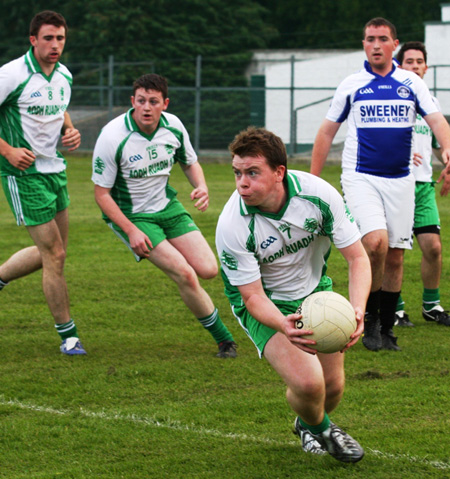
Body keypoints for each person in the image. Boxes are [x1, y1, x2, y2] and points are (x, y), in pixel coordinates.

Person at [216, 126, 371, 462]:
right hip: (267, 305)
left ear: (279, 173)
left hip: (316, 295)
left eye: (252, 173)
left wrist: (358, 311)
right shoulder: (233, 225)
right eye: (237, 173)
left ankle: (307, 425)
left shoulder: (318, 195)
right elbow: (252, 296)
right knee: (309, 385)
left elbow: (358, 258)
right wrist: (283, 325)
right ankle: (328, 432)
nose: (242, 183)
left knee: (332, 388)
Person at [310, 17, 450, 351]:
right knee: (375, 244)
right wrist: (313, 182)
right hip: (361, 178)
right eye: (369, 39)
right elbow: (327, 131)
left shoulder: (411, 84)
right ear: (364, 45)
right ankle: (369, 320)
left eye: (382, 38)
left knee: (397, 256)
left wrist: (448, 150)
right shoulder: (352, 84)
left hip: (401, 180)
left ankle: (387, 329)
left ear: (394, 45)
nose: (375, 44)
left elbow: (437, 122)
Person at [91, 73, 237, 358]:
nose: (146, 107)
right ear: (132, 101)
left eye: (153, 102)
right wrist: (131, 230)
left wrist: (202, 186)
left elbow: (190, 162)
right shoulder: (112, 136)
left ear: (165, 104)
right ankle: (224, 340)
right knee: (185, 274)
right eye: (141, 101)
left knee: (208, 269)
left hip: (168, 208)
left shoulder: (174, 127)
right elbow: (101, 195)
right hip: (134, 217)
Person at [0, 11, 85, 355]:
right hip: (24, 176)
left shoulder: (64, 74)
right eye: (48, 38)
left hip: (56, 171)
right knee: (55, 254)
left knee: (54, 253)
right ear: (32, 40)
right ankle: (68, 336)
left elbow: (60, 106)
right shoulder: (11, 74)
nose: (55, 45)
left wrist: (69, 129)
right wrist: (7, 151)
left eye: (60, 38)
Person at [394, 41, 450, 327]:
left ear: (426, 67)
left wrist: (447, 162)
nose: (415, 66)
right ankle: (395, 308)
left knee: (433, 247)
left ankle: (431, 305)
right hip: (396, 184)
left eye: (419, 61)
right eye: (409, 61)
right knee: (395, 250)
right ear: (399, 66)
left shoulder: (431, 103)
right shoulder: (391, 99)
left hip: (424, 186)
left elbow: (439, 142)